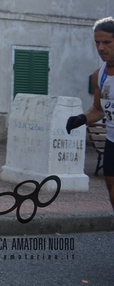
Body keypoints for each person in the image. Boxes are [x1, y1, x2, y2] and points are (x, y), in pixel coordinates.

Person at [66, 16, 114, 210]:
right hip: (112, 141)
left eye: (107, 42)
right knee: (111, 190)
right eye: (97, 42)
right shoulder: (99, 75)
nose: (101, 47)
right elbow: (99, 109)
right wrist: (82, 119)